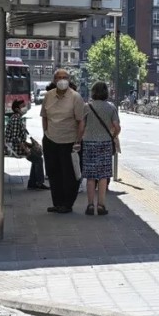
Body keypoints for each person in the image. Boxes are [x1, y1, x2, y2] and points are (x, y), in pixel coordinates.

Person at [40, 69, 86, 214]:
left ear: (69, 79)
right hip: (51, 139)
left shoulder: (75, 97)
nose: (61, 80)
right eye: (58, 77)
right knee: (53, 173)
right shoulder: (48, 96)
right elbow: (44, 116)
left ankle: (67, 204)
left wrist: (78, 141)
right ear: (54, 80)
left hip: (70, 142)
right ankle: (57, 203)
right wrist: (46, 133)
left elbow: (81, 121)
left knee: (70, 174)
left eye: (64, 77)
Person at [80, 82, 120, 216]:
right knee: (103, 176)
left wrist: (77, 140)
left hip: (89, 144)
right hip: (105, 144)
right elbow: (117, 126)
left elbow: (81, 126)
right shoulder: (111, 108)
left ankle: (90, 205)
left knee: (90, 176)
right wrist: (112, 135)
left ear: (93, 92)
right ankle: (101, 205)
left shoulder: (87, 107)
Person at [5, 99, 47, 190]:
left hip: (16, 145)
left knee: (36, 158)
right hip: (14, 147)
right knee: (38, 159)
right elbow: (16, 138)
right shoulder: (16, 119)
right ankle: (38, 183)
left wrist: (31, 145)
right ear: (17, 109)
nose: (24, 108)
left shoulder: (17, 118)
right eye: (22, 106)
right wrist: (26, 150)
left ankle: (33, 183)